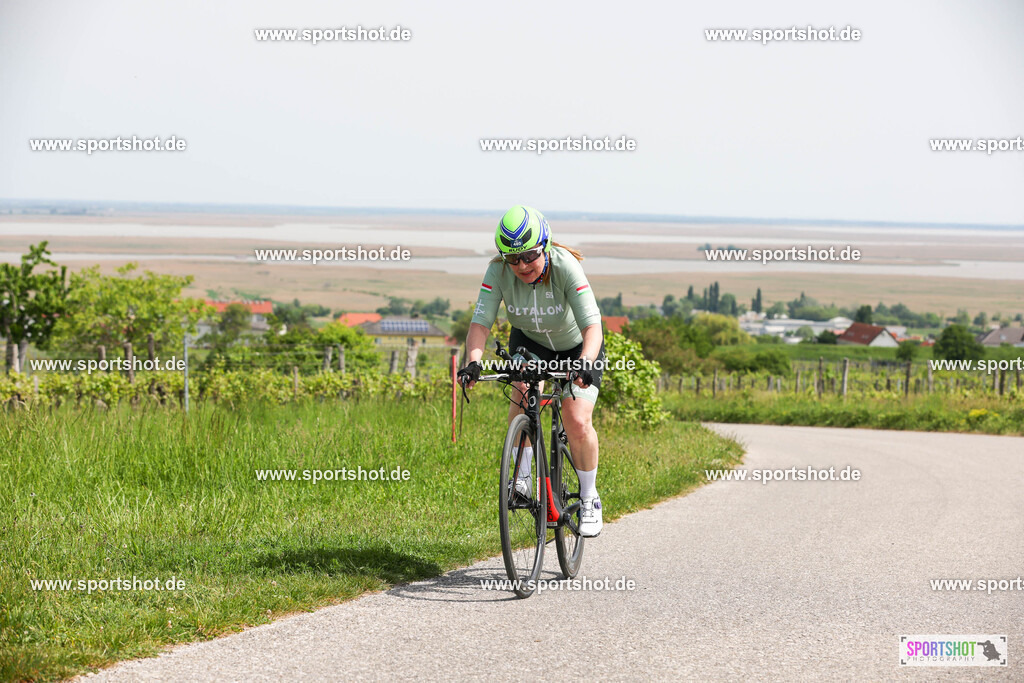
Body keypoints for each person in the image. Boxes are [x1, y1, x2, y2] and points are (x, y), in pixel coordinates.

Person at [457, 205, 605, 537]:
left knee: (577, 418)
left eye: (529, 256)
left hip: (577, 346)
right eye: (513, 259)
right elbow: (481, 322)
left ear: (546, 246)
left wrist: (584, 363)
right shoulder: (497, 271)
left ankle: (588, 497)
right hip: (530, 343)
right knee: (522, 392)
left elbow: (593, 326)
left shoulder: (566, 267)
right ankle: (523, 477)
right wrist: (474, 361)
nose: (522, 265)